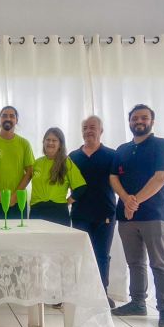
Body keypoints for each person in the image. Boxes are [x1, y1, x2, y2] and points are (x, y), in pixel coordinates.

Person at [110, 104, 164, 327]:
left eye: (144, 118)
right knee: (135, 262)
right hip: (126, 217)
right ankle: (138, 302)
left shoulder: (162, 146)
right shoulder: (122, 150)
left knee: (159, 263)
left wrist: (134, 201)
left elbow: (161, 177)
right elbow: (113, 178)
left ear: (152, 121)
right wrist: (126, 200)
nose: (139, 121)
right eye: (135, 118)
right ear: (129, 121)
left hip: (155, 214)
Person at [69, 116, 117, 308]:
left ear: (101, 131)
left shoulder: (111, 155)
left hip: (105, 213)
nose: (88, 131)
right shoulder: (73, 156)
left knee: (102, 255)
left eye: (93, 127)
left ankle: (102, 293)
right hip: (80, 213)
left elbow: (118, 181)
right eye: (85, 128)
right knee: (80, 255)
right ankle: (81, 293)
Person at [0, 106, 34, 219]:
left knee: (18, 231)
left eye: (12, 116)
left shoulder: (24, 144)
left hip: (18, 201)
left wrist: (15, 196)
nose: (8, 118)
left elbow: (30, 172)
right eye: (4, 116)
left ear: (16, 120)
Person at [29, 127, 86, 227]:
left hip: (58, 213)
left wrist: (66, 203)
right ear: (43, 142)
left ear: (60, 144)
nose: (50, 142)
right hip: (36, 211)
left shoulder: (66, 162)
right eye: (48, 139)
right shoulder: (37, 163)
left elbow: (80, 187)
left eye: (54, 140)